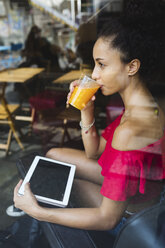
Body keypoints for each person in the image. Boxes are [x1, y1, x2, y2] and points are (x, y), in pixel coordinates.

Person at [13, 0, 165, 236]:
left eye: (101, 65)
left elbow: (107, 219)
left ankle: (28, 214)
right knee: (53, 157)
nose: (94, 74)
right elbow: (95, 153)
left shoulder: (132, 128)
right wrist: (86, 110)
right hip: (134, 189)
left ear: (132, 67)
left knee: (65, 184)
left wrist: (37, 211)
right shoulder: (143, 106)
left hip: (130, 217)